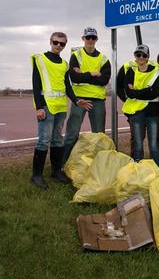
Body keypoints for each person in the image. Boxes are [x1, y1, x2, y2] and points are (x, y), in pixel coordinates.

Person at [31, 32, 92, 189]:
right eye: (56, 42)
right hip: (46, 106)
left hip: (60, 107)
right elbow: (36, 85)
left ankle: (56, 171)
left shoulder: (64, 64)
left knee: (57, 139)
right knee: (44, 140)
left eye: (62, 44)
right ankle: (36, 175)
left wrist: (76, 101)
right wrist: (38, 107)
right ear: (50, 41)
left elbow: (68, 86)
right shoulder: (40, 59)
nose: (58, 46)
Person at [63, 27, 111, 164]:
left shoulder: (103, 59)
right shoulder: (76, 55)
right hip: (80, 100)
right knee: (72, 134)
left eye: (93, 38)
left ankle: (99, 165)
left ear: (96, 40)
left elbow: (104, 80)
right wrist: (92, 74)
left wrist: (83, 74)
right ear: (83, 39)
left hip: (98, 101)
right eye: (88, 37)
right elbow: (74, 77)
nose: (90, 40)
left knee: (99, 135)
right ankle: (65, 164)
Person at [117, 44, 159, 166]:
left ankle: (158, 167)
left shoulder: (155, 71)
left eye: (144, 55)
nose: (141, 57)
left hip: (152, 113)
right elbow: (129, 93)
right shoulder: (130, 71)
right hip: (136, 113)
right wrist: (146, 90)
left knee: (153, 144)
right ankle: (136, 168)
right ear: (135, 56)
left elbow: (154, 93)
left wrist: (136, 92)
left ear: (148, 57)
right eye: (138, 55)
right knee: (138, 143)